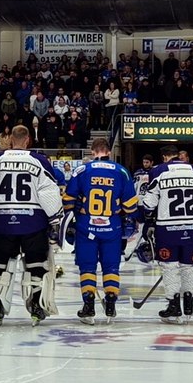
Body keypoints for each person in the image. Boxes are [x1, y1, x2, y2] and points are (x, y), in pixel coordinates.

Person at [0, 125, 64, 324]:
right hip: (33, 221)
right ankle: (36, 306)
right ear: (28, 140)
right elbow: (48, 191)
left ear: (11, 139)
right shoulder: (39, 160)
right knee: (36, 265)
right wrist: (55, 219)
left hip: (3, 221)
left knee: (0, 264)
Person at [64, 138, 138, 325]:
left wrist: (75, 212)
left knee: (87, 267)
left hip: (86, 227)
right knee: (111, 267)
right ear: (109, 152)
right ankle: (111, 303)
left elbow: (67, 200)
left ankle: (89, 305)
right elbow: (130, 206)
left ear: (92, 151)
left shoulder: (82, 170)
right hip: (112, 227)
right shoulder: (121, 171)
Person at [146, 144, 193, 324]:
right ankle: (189, 305)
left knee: (169, 267)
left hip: (167, 229)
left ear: (165, 157)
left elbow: (148, 204)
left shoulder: (159, 171)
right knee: (188, 267)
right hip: (191, 228)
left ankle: (174, 306)